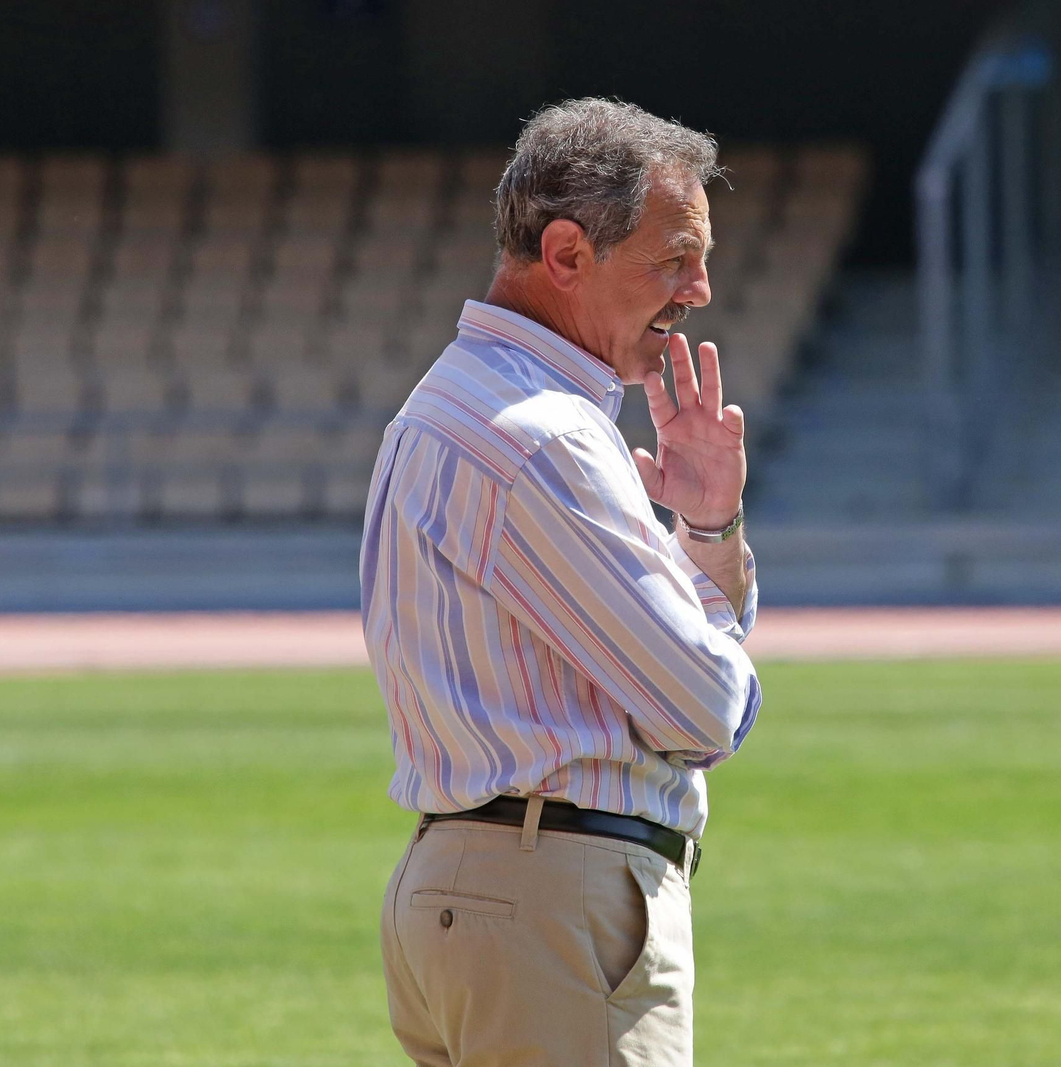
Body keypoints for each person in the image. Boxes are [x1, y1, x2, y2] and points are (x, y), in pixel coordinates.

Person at [361, 97, 762, 1067]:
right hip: (550, 897)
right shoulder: (541, 434)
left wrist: (708, 527)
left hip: (483, 886)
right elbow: (704, 711)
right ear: (568, 253)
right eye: (675, 258)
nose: (700, 288)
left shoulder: (455, 401)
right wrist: (714, 606)